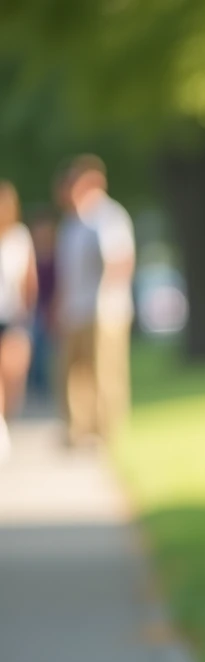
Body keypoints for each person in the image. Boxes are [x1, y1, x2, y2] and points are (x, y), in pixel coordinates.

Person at [55, 155, 136, 447]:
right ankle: (78, 428)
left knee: (105, 372)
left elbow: (120, 260)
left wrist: (109, 298)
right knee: (73, 373)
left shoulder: (108, 217)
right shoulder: (72, 223)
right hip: (75, 310)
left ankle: (107, 431)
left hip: (104, 309)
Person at [0, 181, 38, 460]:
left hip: (12, 316)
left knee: (12, 375)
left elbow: (29, 280)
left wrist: (26, 315)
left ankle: (7, 421)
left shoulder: (19, 238)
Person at [26, 209, 58, 404]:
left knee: (49, 349)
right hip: (35, 310)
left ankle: (47, 385)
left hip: (52, 308)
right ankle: (38, 385)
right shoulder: (32, 255)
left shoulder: (56, 255)